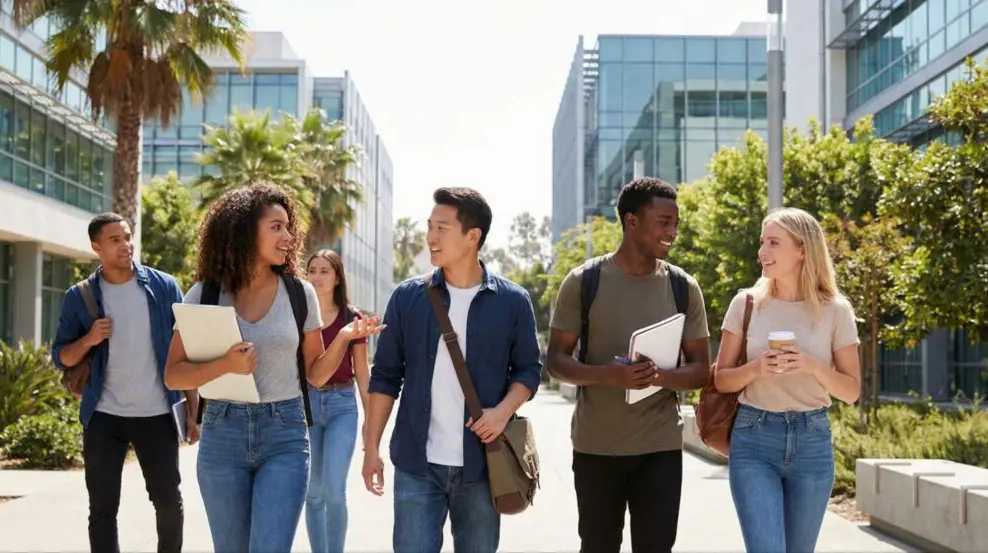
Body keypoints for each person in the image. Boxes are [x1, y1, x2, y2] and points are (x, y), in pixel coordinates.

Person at [163, 183, 385, 553]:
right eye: (276, 227)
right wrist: (223, 365)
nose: (288, 236)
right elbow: (173, 373)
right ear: (245, 230)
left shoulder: (300, 293)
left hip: (284, 433)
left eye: (288, 227)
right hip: (222, 433)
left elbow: (314, 373)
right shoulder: (206, 293)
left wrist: (344, 337)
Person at [362, 187, 543, 553]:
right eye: (429, 226)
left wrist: (502, 412)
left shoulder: (512, 302)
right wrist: (370, 448)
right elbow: (384, 377)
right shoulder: (407, 297)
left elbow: (528, 371)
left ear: (472, 236)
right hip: (417, 465)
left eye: (441, 228)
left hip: (482, 467)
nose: (430, 237)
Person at [545, 177, 712, 553]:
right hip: (596, 448)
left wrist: (660, 376)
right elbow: (556, 360)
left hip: (660, 449)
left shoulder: (684, 288)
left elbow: (702, 369)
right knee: (598, 546)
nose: (672, 232)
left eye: (676, 223)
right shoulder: (583, 282)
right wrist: (608, 374)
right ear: (631, 221)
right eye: (663, 222)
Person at [714, 207, 861, 553]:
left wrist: (812, 366)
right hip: (754, 440)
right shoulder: (745, 303)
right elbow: (721, 380)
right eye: (762, 242)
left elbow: (851, 391)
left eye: (773, 243)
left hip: (813, 443)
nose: (762, 252)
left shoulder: (836, 311)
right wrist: (756, 370)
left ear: (802, 250)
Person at [51, 212, 195, 553]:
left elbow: (185, 350)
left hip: (157, 412)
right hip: (104, 415)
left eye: (128, 237)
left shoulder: (164, 287)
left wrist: (193, 409)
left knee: (168, 501)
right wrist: (88, 340)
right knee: (102, 508)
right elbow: (62, 357)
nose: (125, 245)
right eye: (115, 240)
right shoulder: (80, 297)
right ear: (96, 247)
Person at [302, 249, 371, 553]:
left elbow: (363, 372)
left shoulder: (350, 318)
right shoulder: (300, 313)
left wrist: (372, 421)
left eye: (324, 271)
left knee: (333, 490)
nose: (316, 277)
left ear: (337, 277)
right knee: (313, 493)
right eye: (312, 270)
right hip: (308, 406)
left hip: (343, 404)